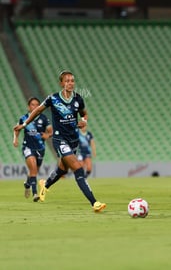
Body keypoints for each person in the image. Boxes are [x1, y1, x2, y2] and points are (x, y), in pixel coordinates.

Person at [13, 70, 106, 213]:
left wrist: (84, 121)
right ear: (61, 83)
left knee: (63, 169)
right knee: (78, 169)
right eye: (67, 81)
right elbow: (37, 111)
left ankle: (45, 184)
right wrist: (24, 124)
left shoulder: (78, 99)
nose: (70, 83)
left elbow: (84, 114)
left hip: (73, 139)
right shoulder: (53, 98)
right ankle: (94, 203)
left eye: (72, 80)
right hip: (59, 139)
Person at [13, 97, 53, 202]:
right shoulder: (24, 118)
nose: (34, 106)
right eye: (32, 104)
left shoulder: (44, 118)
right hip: (28, 147)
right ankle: (35, 193)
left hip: (40, 148)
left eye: (37, 105)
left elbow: (50, 131)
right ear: (28, 106)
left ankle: (27, 184)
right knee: (34, 169)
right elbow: (17, 129)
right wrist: (15, 139)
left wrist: (47, 135)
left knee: (34, 170)